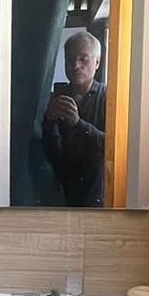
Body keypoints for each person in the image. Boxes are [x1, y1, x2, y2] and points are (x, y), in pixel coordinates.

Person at [42, 31, 107, 207]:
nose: (75, 65)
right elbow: (50, 152)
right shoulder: (55, 98)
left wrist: (79, 125)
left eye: (83, 59)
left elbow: (113, 146)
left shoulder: (109, 98)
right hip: (61, 191)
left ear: (97, 62)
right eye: (69, 60)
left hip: (95, 193)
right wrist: (49, 121)